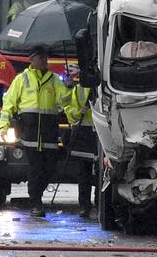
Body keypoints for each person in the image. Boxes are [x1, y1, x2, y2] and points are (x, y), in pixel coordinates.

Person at [0, 44, 74, 217]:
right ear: (31, 59)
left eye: (46, 57)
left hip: (49, 134)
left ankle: (36, 196)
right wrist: (4, 127)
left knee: (49, 169)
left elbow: (65, 101)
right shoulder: (22, 79)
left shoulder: (55, 79)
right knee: (35, 169)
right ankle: (36, 203)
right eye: (41, 57)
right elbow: (8, 104)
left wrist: (69, 87)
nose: (45, 60)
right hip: (30, 135)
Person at [61, 77, 97, 218]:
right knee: (84, 173)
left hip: (100, 132)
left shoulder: (101, 82)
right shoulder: (76, 88)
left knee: (101, 174)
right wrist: (78, 112)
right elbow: (67, 108)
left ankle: (98, 205)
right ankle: (84, 206)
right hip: (83, 131)